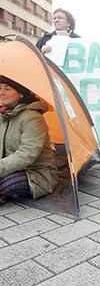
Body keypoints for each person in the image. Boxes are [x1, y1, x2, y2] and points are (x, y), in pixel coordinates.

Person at [0, 76, 57, 206]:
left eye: (7, 89)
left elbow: (26, 155)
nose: (1, 92)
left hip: (35, 173)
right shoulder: (3, 114)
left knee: (8, 184)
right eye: (0, 88)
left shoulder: (32, 118)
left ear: (21, 94)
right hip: (9, 167)